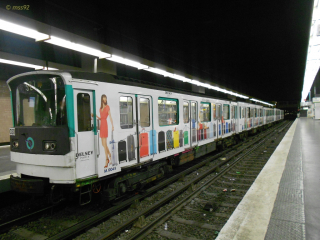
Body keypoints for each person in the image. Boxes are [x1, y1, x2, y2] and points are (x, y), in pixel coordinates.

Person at [94, 94, 114, 168]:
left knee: (104, 144)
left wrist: (112, 125)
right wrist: (95, 116)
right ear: (102, 99)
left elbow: (110, 116)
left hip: (105, 125)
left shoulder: (107, 107)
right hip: (102, 124)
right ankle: (110, 156)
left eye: (106, 99)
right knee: (103, 144)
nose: (105, 100)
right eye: (104, 99)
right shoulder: (100, 108)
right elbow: (101, 118)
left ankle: (107, 159)